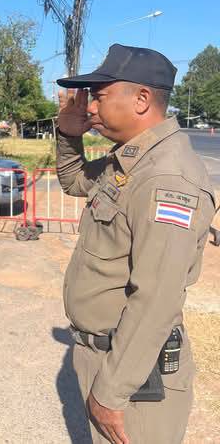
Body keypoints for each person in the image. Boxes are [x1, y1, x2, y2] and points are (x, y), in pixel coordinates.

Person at [56, 44, 215, 444]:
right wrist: (69, 135)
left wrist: (111, 393)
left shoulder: (166, 179)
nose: (91, 108)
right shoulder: (132, 161)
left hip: (134, 378)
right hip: (109, 358)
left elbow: (157, 299)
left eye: (99, 96)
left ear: (142, 99)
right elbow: (75, 180)